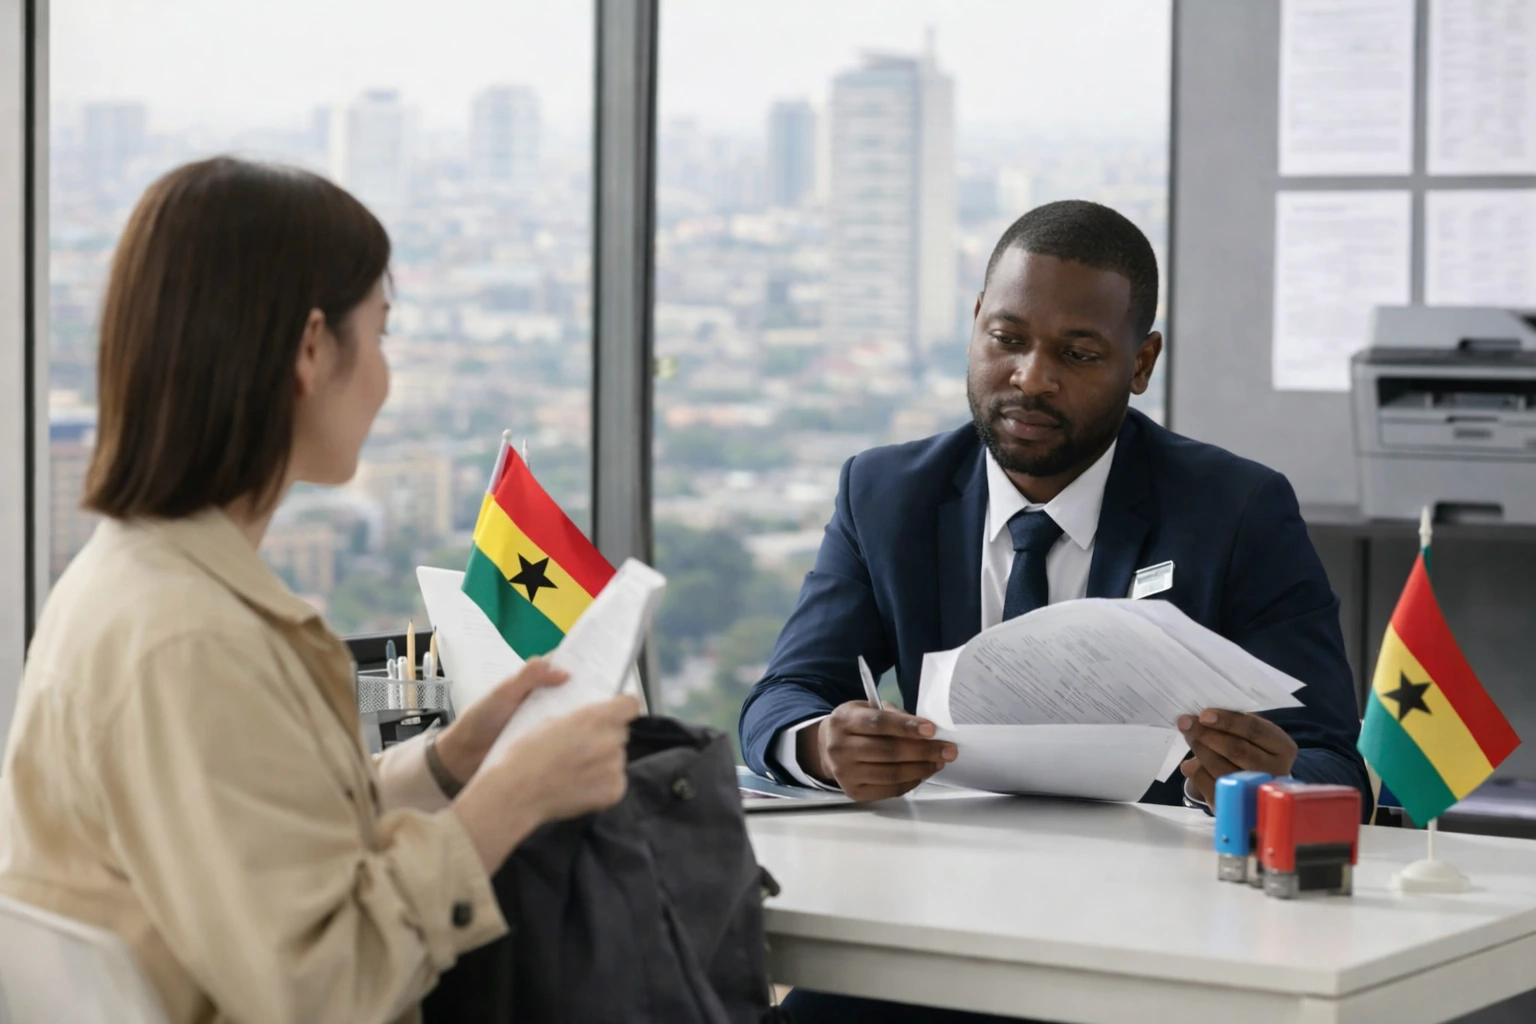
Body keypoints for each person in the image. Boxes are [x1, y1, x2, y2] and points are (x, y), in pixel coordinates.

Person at [0, 157, 638, 1024]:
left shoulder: (140, 583)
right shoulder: (194, 640)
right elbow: (328, 984)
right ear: (310, 348)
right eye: (378, 336)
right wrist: (513, 798)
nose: (384, 378)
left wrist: (449, 765)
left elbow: (261, 834)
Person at [739, 200, 1368, 1023]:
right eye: (1007, 339)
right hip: (929, 929)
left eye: (1078, 353)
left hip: (1151, 950)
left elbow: (1331, 764)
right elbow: (781, 699)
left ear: (1141, 365)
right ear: (974, 326)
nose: (1031, 377)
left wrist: (1259, 782)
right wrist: (821, 745)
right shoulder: (886, 493)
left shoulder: (1237, 509)